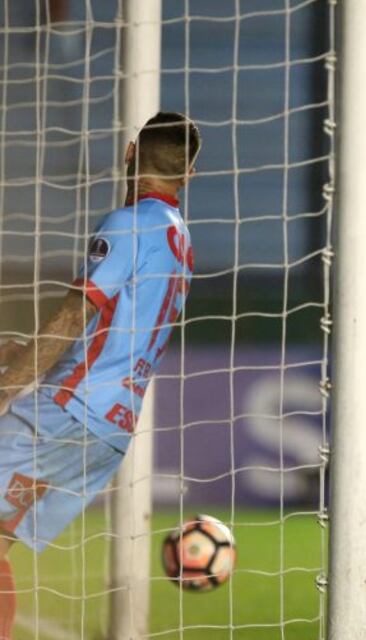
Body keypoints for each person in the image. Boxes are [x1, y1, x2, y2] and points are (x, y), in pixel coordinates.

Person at [0, 112, 200, 638]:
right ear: (189, 177)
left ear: (130, 153)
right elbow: (119, 329)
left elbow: (75, 316)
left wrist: (9, 385)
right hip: (109, 430)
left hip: (68, 407)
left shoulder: (127, 223)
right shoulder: (181, 241)